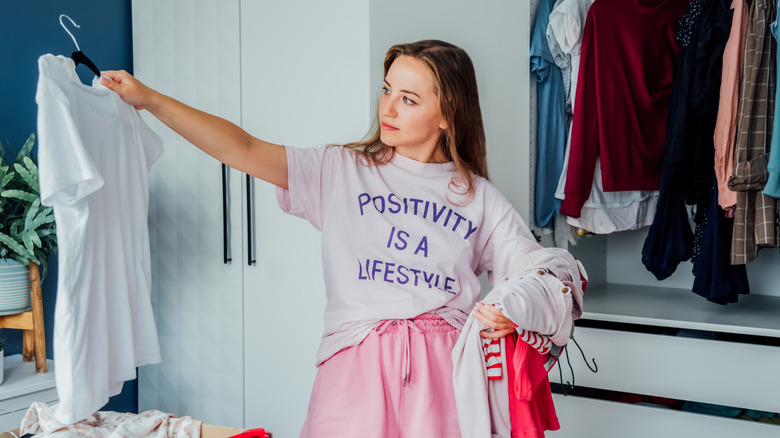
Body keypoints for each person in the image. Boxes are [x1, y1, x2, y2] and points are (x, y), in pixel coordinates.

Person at [100, 39, 582, 437]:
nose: (387, 108)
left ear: (446, 115)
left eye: (409, 99)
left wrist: (512, 310)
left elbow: (542, 269)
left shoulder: (478, 197)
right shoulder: (340, 169)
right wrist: (151, 100)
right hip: (354, 367)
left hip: (442, 377)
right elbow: (243, 148)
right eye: (388, 89)